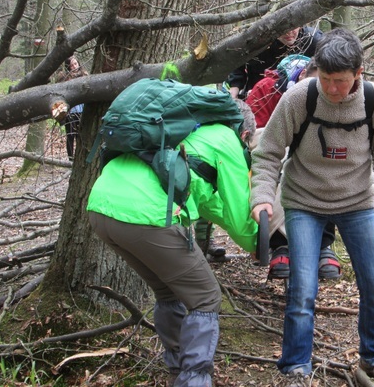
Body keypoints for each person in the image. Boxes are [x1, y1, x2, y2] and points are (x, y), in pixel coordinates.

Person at [250, 28, 374, 387]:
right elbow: (268, 153)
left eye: (340, 81)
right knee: (302, 289)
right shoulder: (299, 97)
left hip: (357, 203)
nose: (332, 88)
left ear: (359, 74)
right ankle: (295, 369)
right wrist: (261, 196)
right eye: (325, 79)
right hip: (304, 201)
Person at [87, 98, 258, 387]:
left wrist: (249, 239)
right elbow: (240, 212)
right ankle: (192, 381)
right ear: (244, 134)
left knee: (168, 292)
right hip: (146, 216)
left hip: (101, 208)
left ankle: (178, 372)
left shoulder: (183, 128)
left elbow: (211, 205)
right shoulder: (226, 139)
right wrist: (258, 243)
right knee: (205, 297)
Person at [247, 55, 341, 280]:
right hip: (270, 147)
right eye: (314, 85)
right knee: (279, 170)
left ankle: (323, 244)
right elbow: (252, 132)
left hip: (310, 151)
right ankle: (280, 244)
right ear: (302, 77)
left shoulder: (332, 95)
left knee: (326, 166)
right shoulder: (267, 89)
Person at [226, 26, 322, 99]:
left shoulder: (314, 41)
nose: (288, 33)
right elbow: (237, 61)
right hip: (258, 98)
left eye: (293, 27)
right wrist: (235, 88)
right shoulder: (258, 42)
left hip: (302, 98)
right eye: (282, 28)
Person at [56, 56, 88, 160]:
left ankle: (80, 157)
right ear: (68, 67)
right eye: (72, 65)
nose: (74, 66)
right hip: (71, 111)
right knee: (70, 135)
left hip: (82, 110)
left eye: (75, 64)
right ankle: (70, 158)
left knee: (81, 135)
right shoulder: (65, 78)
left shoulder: (85, 75)